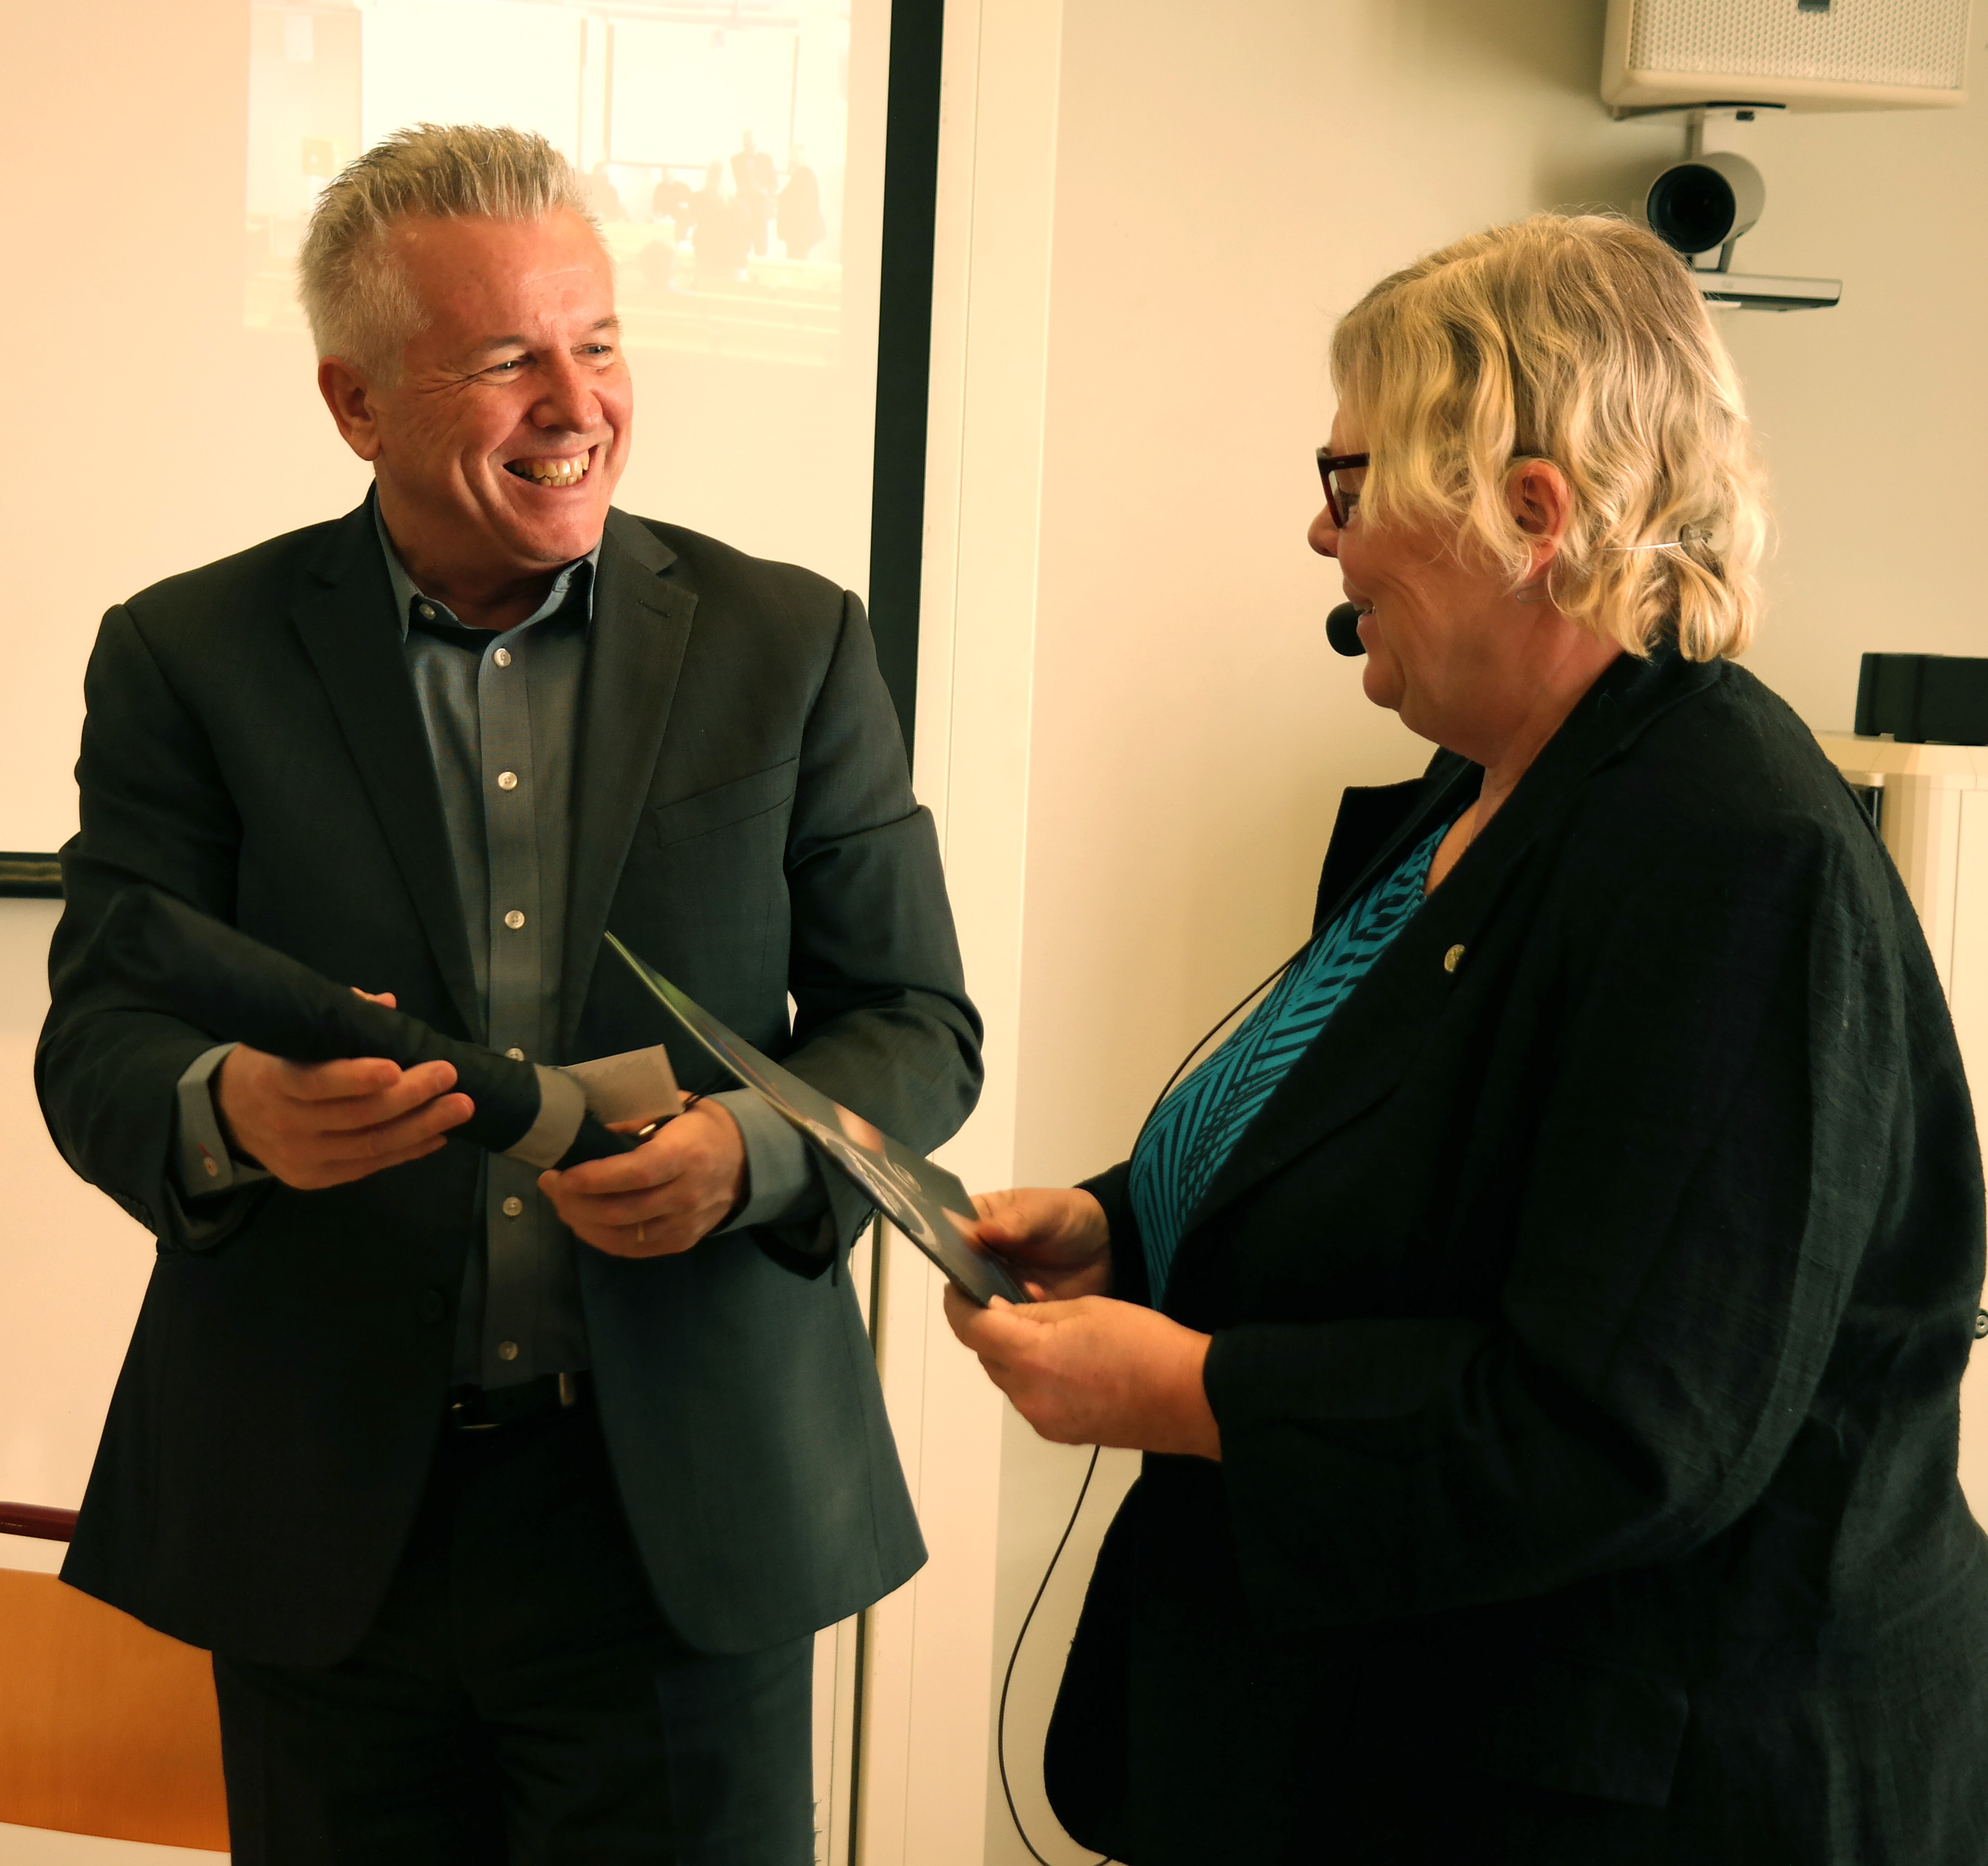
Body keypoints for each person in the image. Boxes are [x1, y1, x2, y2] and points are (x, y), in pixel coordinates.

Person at [946, 213, 1988, 1864]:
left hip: (1642, 1776)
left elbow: (1624, 1425)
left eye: (1350, 479)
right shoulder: (1478, 792)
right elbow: (1391, 1159)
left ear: (1527, 511)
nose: (1319, 530)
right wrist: (1122, 1221)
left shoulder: (1731, 857)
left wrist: (1203, 1389)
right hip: (1411, 1724)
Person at [39, 124, 980, 1864]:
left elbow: (918, 1023)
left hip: (681, 1523)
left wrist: (751, 1156)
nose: (577, 402)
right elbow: (98, 1034)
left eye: (600, 341)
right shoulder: (187, 655)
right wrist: (229, 1112)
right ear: (355, 400)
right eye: (505, 360)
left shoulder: (793, 641)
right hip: (328, 1527)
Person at [731, 130, 776, 258]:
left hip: (761, 208)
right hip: (743, 208)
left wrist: (764, 190)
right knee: (742, 245)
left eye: (750, 143)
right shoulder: (735, 160)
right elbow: (734, 184)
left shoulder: (767, 159)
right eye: (744, 144)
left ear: (757, 144)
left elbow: (774, 184)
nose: (747, 147)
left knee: (761, 247)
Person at [777, 146, 826, 261]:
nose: (791, 161)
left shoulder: (806, 175)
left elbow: (801, 204)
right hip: (797, 231)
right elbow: (784, 197)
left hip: (802, 231)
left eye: (792, 157)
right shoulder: (799, 176)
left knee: (797, 264)